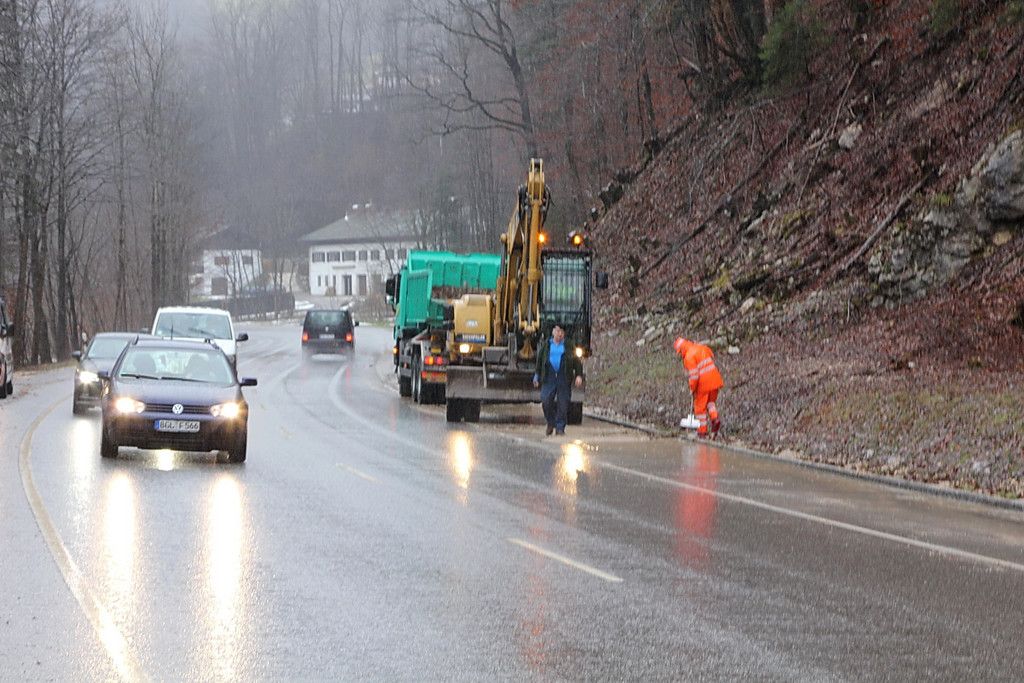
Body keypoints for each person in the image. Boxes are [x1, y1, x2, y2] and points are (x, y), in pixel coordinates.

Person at [533, 324, 584, 436]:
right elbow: (539, 361)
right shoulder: (546, 345)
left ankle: (560, 427)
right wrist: (537, 376)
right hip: (549, 376)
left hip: (563, 376)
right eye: (557, 331)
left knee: (563, 403)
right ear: (553, 332)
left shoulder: (569, 345)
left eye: (561, 332)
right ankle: (551, 423)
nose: (559, 334)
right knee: (546, 400)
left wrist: (578, 375)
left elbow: (577, 362)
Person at [673, 337, 724, 439]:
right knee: (710, 403)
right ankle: (715, 419)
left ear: (682, 349)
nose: (680, 355)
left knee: (700, 409)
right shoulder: (700, 347)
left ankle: (702, 432)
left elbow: (694, 375)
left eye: (680, 352)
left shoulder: (689, 357)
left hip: (703, 384)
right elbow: (710, 355)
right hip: (715, 380)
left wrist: (692, 388)